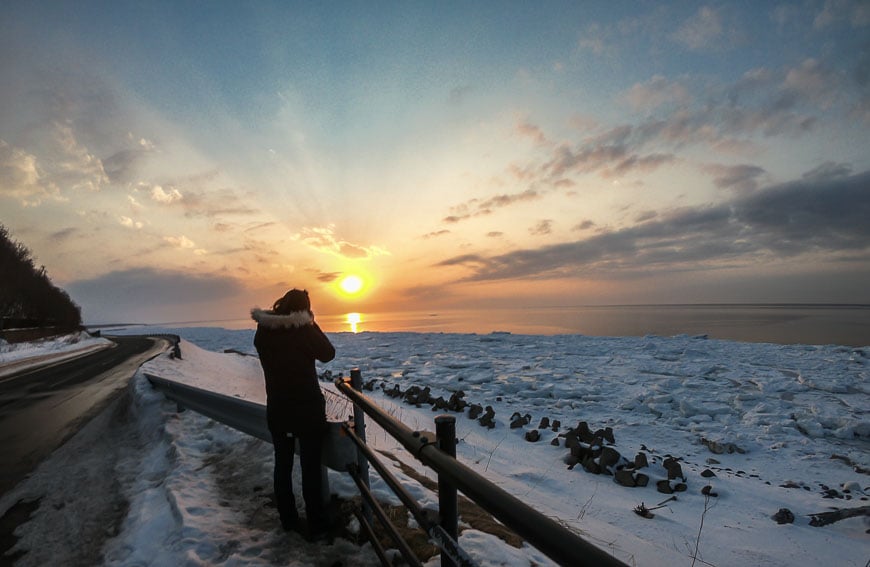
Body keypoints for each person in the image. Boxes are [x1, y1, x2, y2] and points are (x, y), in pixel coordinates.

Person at [251, 289, 336, 540]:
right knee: (310, 469)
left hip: (278, 409)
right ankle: (317, 524)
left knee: (283, 465)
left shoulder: (263, 332)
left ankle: (287, 520)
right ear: (304, 310)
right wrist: (311, 322)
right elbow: (328, 354)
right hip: (307, 411)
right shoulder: (303, 331)